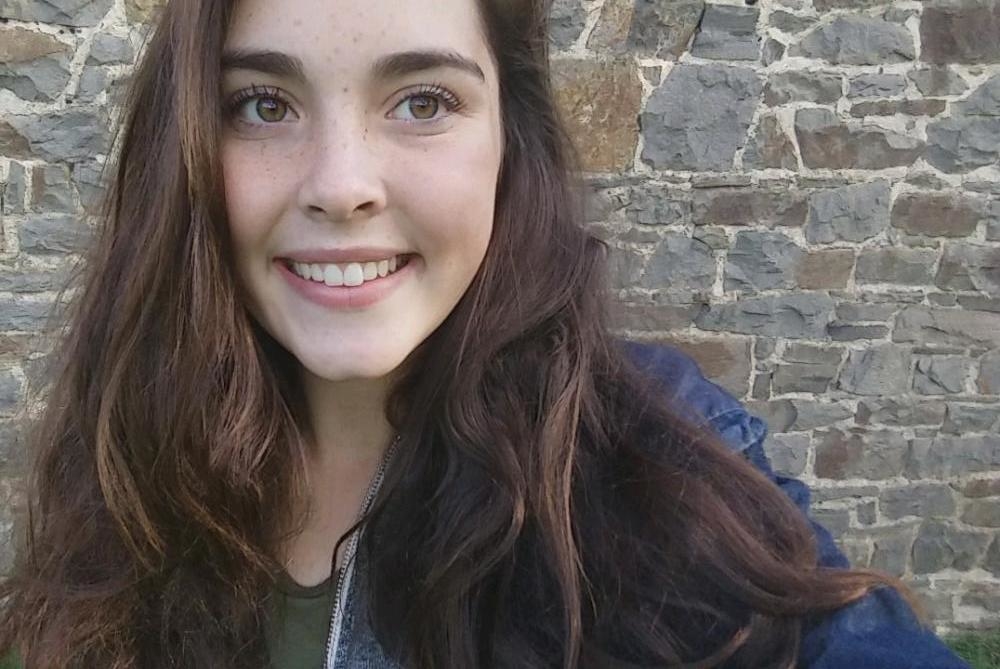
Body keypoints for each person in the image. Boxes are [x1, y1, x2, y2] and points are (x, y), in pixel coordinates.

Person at [0, 0, 972, 667]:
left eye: (423, 101)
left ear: (511, 142)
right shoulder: (130, 457)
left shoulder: (653, 463)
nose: (341, 185)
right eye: (263, 104)